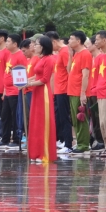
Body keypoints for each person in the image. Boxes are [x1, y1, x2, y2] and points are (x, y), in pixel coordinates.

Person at [25, 35, 58, 163]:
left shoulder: (48, 60)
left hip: (43, 92)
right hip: (37, 91)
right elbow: (37, 75)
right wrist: (25, 81)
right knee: (36, 121)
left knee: (43, 122)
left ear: (43, 46)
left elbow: (44, 79)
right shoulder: (41, 59)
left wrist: (29, 84)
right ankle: (35, 152)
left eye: (37, 44)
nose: (34, 46)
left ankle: (44, 153)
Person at [66, 31, 92, 157]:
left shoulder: (85, 54)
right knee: (75, 120)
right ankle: (80, 143)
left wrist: (83, 93)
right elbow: (69, 71)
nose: (69, 41)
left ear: (78, 41)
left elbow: (85, 75)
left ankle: (84, 145)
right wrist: (70, 56)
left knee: (81, 118)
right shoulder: (76, 54)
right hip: (72, 91)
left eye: (71, 39)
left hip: (79, 91)